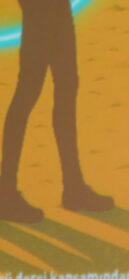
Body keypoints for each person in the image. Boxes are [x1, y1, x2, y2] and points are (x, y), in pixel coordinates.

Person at [0, 0, 113, 223]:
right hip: (43, 11)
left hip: (52, 10)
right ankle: (7, 192)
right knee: (32, 91)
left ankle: (72, 185)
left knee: (61, 88)